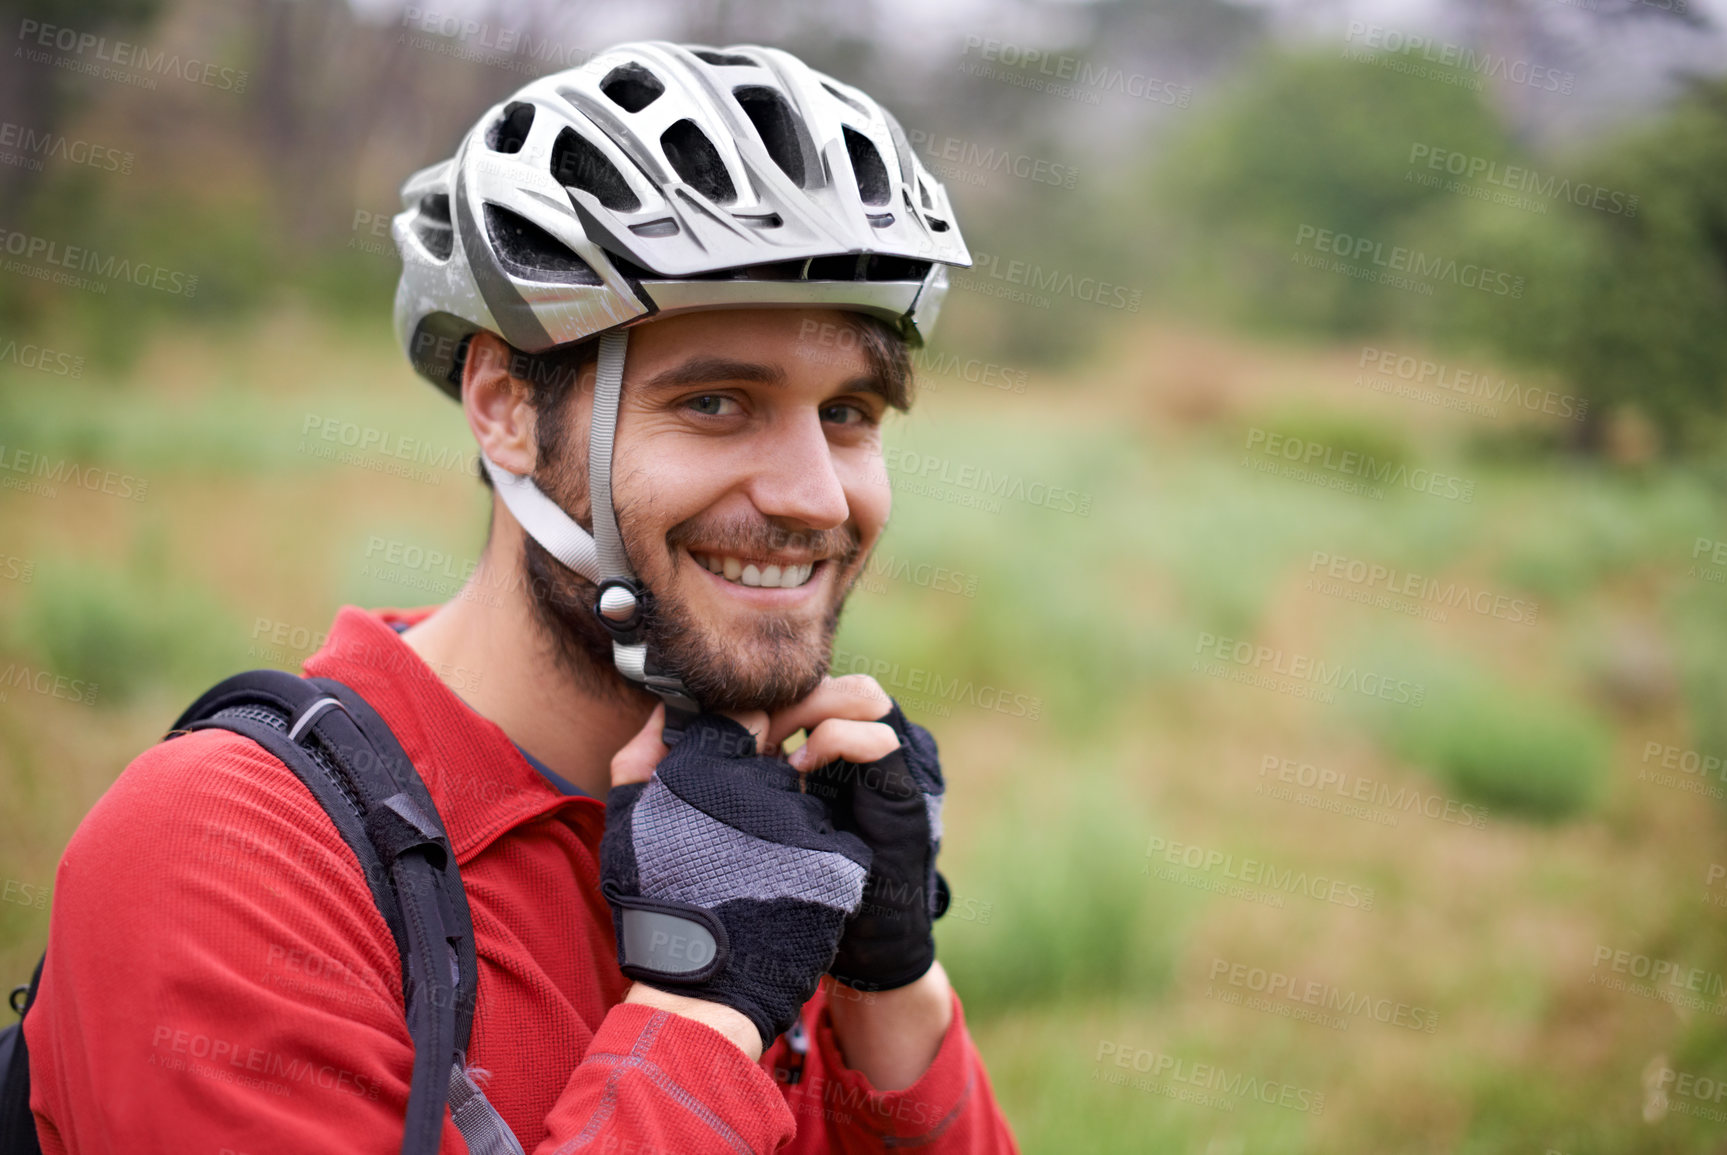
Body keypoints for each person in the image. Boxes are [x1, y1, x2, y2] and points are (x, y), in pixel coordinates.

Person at [21, 40, 1018, 1154]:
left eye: (849, 414)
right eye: (718, 404)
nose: (814, 497)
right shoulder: (231, 855)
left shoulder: (765, 839)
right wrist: (702, 1014)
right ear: (503, 404)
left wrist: (890, 987)